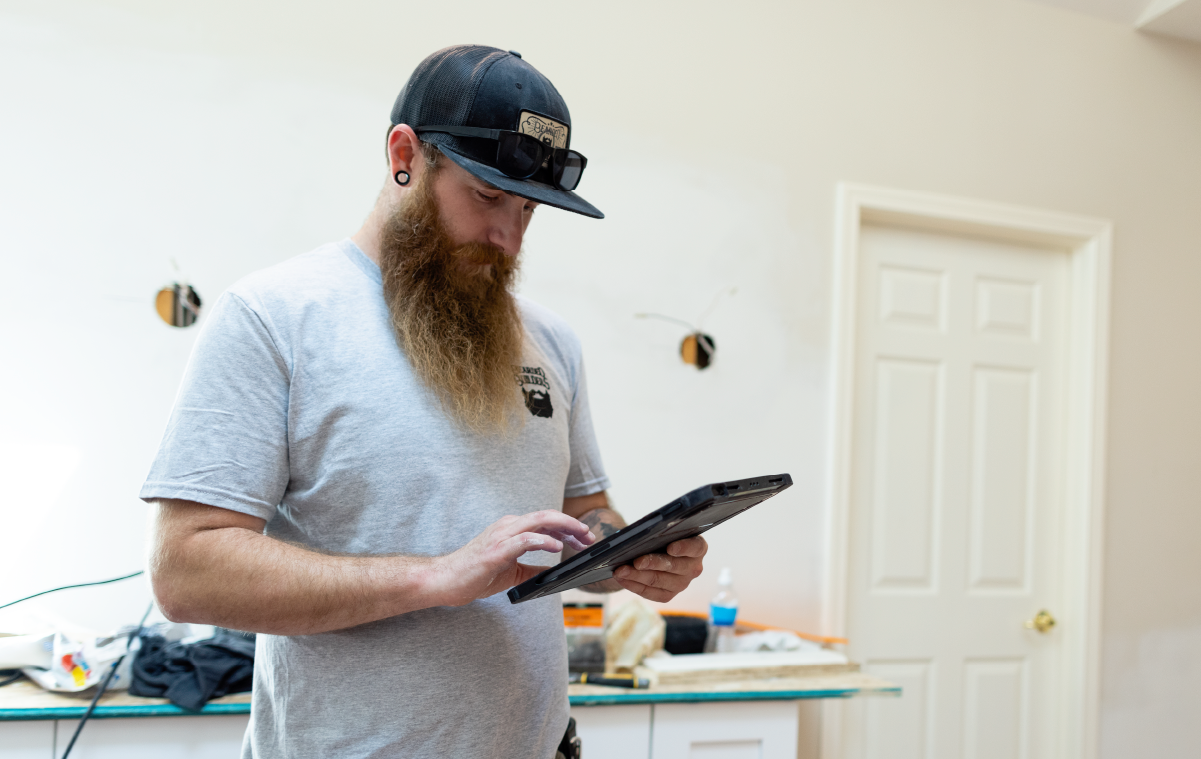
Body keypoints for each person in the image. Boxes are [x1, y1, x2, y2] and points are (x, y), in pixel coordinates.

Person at [142, 44, 708, 759]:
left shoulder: (552, 342)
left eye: (529, 209)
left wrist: (627, 550)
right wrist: (434, 576)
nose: (509, 236)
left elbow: (584, 513)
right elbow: (185, 571)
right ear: (404, 154)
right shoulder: (272, 317)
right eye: (487, 195)